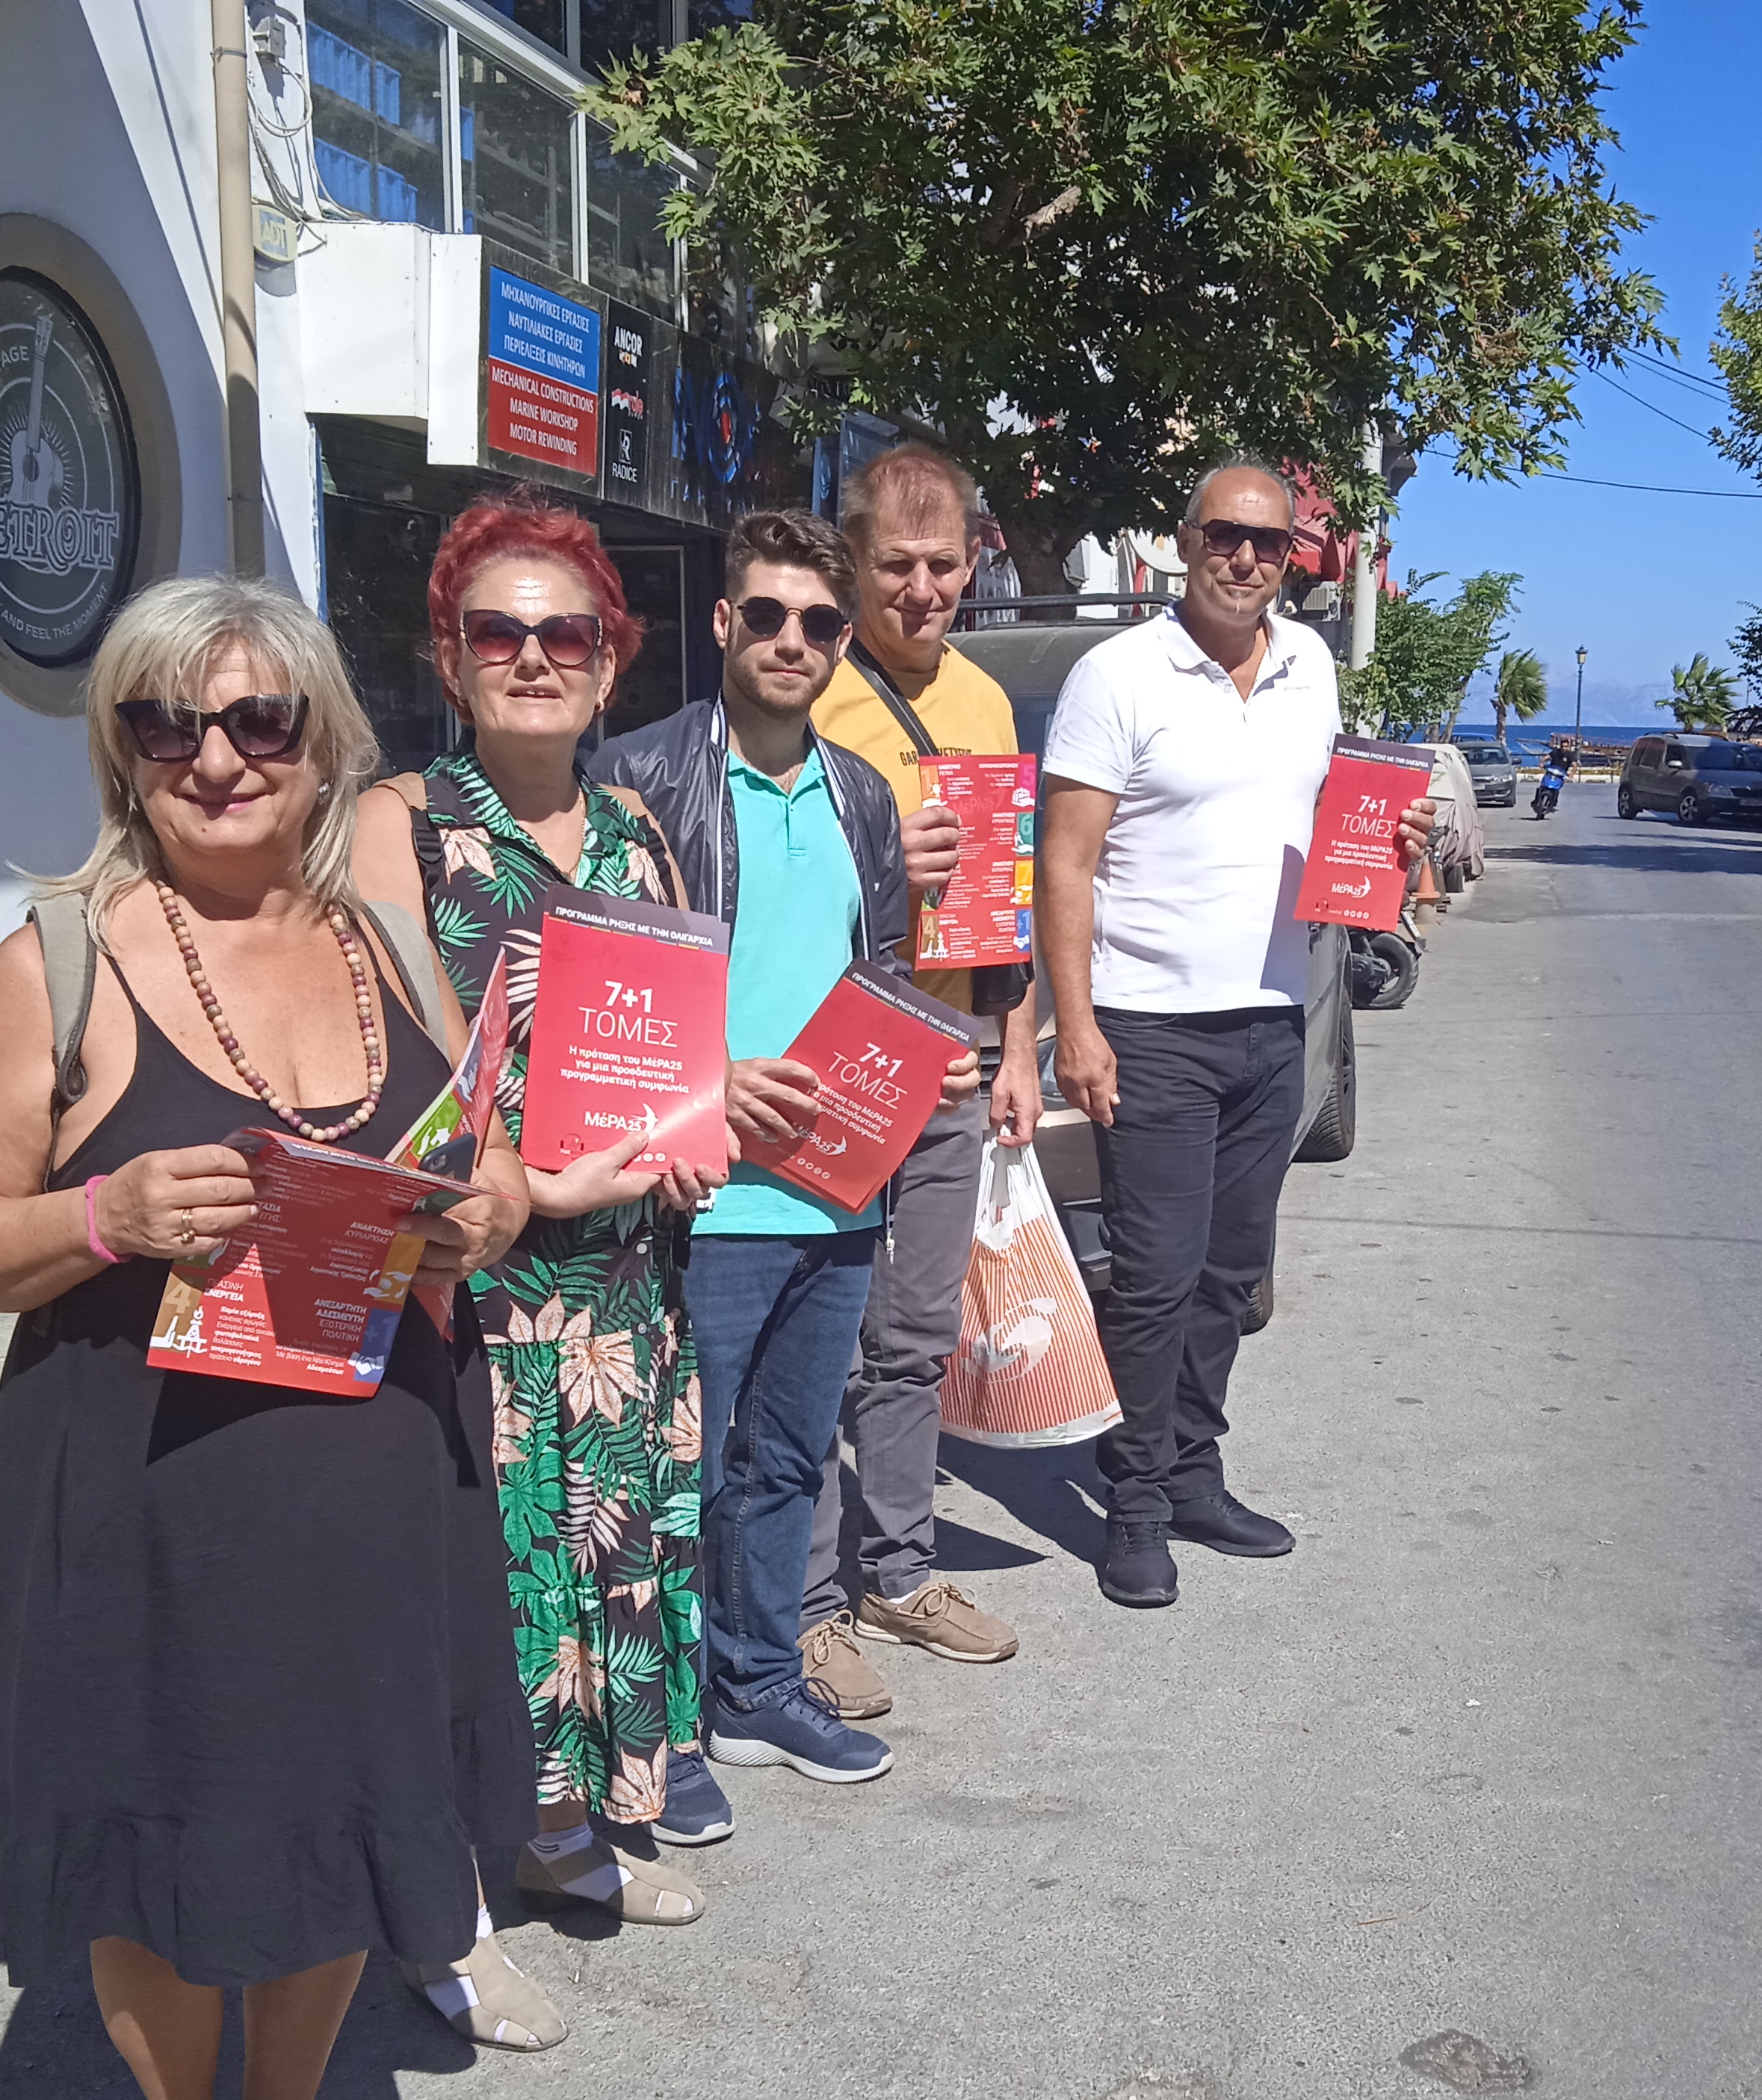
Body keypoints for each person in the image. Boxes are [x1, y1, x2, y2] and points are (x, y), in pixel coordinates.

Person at [0, 575, 535, 2100]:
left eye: (261, 719)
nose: (218, 757)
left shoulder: (390, 945)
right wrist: (97, 1216)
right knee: (161, 1817)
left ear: (324, 745)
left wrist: (488, 1208)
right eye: (165, 721)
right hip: (151, 1495)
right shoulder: (59, 963)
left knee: (342, 1799)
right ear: (122, 750)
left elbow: (481, 1159)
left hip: (376, 1471)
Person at [354, 492, 731, 2040]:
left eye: (564, 632)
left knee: (601, 1569)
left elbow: (673, 1048)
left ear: (608, 663)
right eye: (495, 631)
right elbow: (384, 1067)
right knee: (481, 1598)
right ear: (449, 658)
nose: (531, 656)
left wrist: (706, 1127)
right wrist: (530, 1179)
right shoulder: (397, 826)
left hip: (623, 1289)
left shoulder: (638, 830)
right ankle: (444, 1917)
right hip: (479, 1285)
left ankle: (561, 1835)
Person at [592, 509, 971, 1812]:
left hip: (837, 1196)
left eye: (818, 621)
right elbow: (602, 999)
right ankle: (670, 1734)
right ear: (722, 623)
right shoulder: (639, 776)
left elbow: (880, 971)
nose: (792, 640)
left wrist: (925, 1059)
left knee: (789, 1463)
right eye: (766, 615)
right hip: (701, 1198)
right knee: (681, 1473)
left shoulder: (861, 792)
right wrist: (709, 1082)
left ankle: (757, 1690)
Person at [1037, 462, 1434, 1608]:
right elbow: (1064, 862)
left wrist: (1394, 839)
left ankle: (1194, 1474)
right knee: (1154, 1279)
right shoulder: (1118, 675)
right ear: (1185, 541)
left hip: (1274, 1017)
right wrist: (1077, 1027)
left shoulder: (1311, 665)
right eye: (1225, 535)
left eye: (1271, 543)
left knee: (1229, 1274)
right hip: (1151, 1027)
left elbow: (1328, 818)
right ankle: (1135, 1506)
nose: (1248, 558)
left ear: (1292, 559)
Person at [792, 444, 1039, 1723]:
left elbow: (1008, 906)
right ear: (854, 562)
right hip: (833, 1070)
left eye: (944, 564)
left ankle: (898, 1571)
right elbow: (769, 897)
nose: (923, 589)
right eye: (897, 564)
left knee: (913, 1342)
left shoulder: (987, 702)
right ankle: (806, 1605)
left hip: (948, 1064)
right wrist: (891, 868)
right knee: (815, 1348)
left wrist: (1016, 1049)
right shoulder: (808, 690)